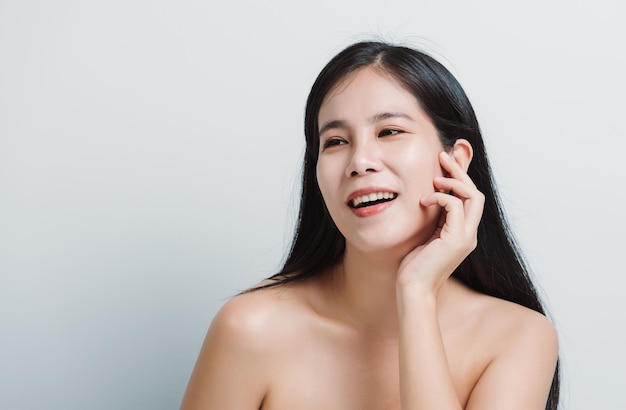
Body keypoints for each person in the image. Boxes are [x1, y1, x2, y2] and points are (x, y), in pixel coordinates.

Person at [181, 41, 560, 409]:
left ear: (455, 162)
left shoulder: (519, 336)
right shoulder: (250, 329)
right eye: (335, 141)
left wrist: (415, 294)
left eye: (389, 131)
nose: (360, 161)